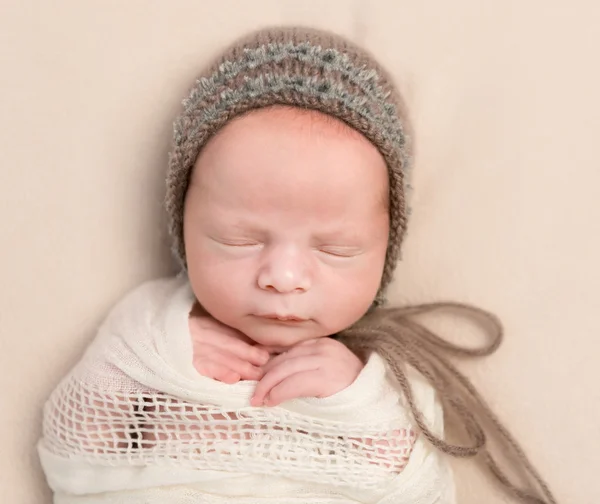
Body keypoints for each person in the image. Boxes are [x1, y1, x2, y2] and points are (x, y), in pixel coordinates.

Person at [37, 26, 557, 504]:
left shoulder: (386, 376)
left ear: (385, 250)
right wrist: (145, 358)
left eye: (334, 249)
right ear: (182, 226)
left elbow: (422, 491)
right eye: (238, 239)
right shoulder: (149, 326)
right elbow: (73, 458)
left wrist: (356, 402)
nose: (282, 279)